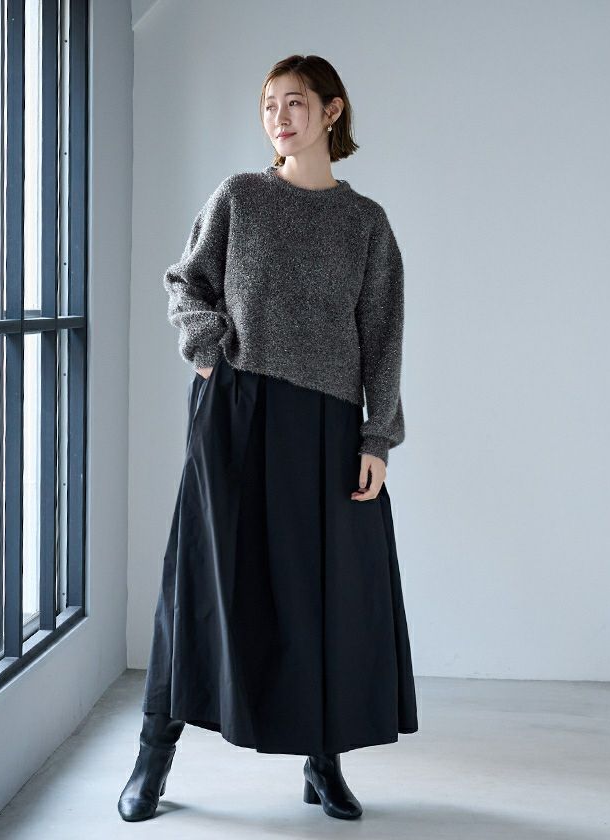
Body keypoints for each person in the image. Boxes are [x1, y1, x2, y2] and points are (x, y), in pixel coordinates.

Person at [118, 53, 418, 823]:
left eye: (294, 102)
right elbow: (187, 281)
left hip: (326, 427)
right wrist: (210, 351)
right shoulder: (240, 198)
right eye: (268, 105)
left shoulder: (365, 223)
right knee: (198, 582)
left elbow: (382, 337)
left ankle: (323, 761)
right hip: (237, 412)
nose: (278, 118)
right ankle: (153, 757)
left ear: (332, 111)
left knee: (326, 593)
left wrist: (376, 438)